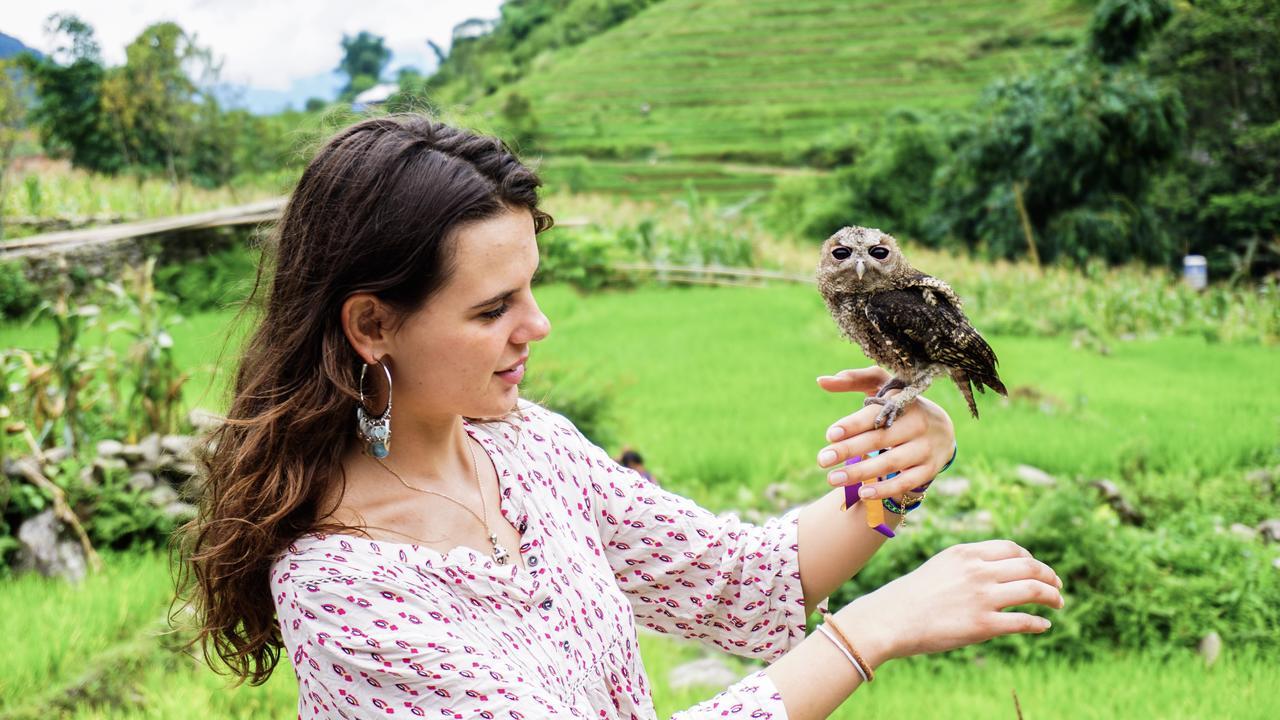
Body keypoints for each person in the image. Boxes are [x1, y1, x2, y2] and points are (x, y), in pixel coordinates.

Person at [177, 114, 1065, 720]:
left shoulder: (530, 453)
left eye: (532, 287)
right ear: (373, 325)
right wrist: (871, 631)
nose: (538, 326)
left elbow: (740, 579)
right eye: (492, 310)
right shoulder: (344, 588)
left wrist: (895, 472)